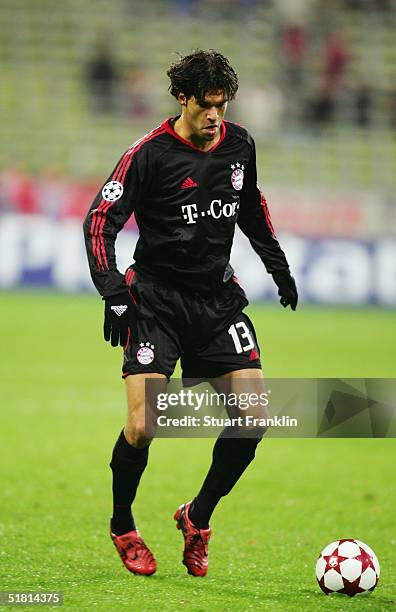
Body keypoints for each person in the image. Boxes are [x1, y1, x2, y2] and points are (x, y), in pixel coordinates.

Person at [83, 49, 298, 578]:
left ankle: (196, 517)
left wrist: (278, 266)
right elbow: (100, 220)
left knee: (253, 420)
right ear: (183, 98)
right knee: (144, 423)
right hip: (155, 300)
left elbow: (251, 208)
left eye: (222, 106)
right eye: (206, 105)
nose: (214, 117)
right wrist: (112, 291)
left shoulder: (240, 144)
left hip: (216, 299)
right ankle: (123, 525)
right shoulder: (149, 154)